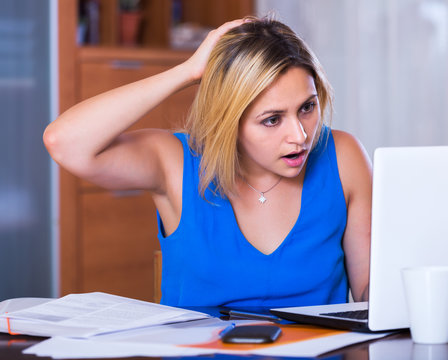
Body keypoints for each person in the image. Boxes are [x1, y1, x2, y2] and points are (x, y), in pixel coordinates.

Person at [44, 17, 372, 308]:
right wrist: (189, 71)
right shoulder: (176, 161)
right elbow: (64, 142)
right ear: (229, 118)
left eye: (307, 107)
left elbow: (372, 293)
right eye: (272, 120)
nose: (299, 135)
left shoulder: (342, 156)